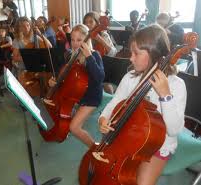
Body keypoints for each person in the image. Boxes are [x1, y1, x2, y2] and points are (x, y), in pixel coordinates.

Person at [99, 24, 186, 184]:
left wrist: (165, 96)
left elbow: (174, 130)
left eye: (136, 53)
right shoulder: (131, 77)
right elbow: (115, 102)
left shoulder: (176, 85)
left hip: (157, 145)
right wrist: (104, 118)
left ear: (154, 54)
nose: (131, 58)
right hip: (128, 136)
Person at [47, 24, 105, 147]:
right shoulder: (71, 56)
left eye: (79, 40)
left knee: (74, 127)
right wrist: (54, 81)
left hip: (91, 97)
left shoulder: (94, 55)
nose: (75, 43)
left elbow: (100, 77)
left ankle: (95, 147)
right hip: (77, 93)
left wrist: (89, 56)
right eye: (72, 39)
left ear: (87, 40)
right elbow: (64, 76)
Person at [83, 11, 117, 94]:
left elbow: (113, 53)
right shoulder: (84, 36)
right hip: (86, 72)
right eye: (85, 23)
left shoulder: (104, 35)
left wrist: (101, 40)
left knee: (108, 88)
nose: (88, 24)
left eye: (91, 22)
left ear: (97, 23)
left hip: (101, 72)